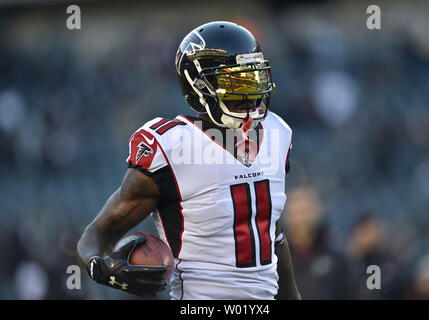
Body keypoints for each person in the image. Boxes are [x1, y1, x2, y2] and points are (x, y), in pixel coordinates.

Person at [77, 21, 300, 300]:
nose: (251, 92)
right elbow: (100, 230)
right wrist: (100, 267)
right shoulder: (172, 147)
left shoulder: (277, 132)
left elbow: (272, 234)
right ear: (200, 85)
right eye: (239, 82)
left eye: (255, 79)